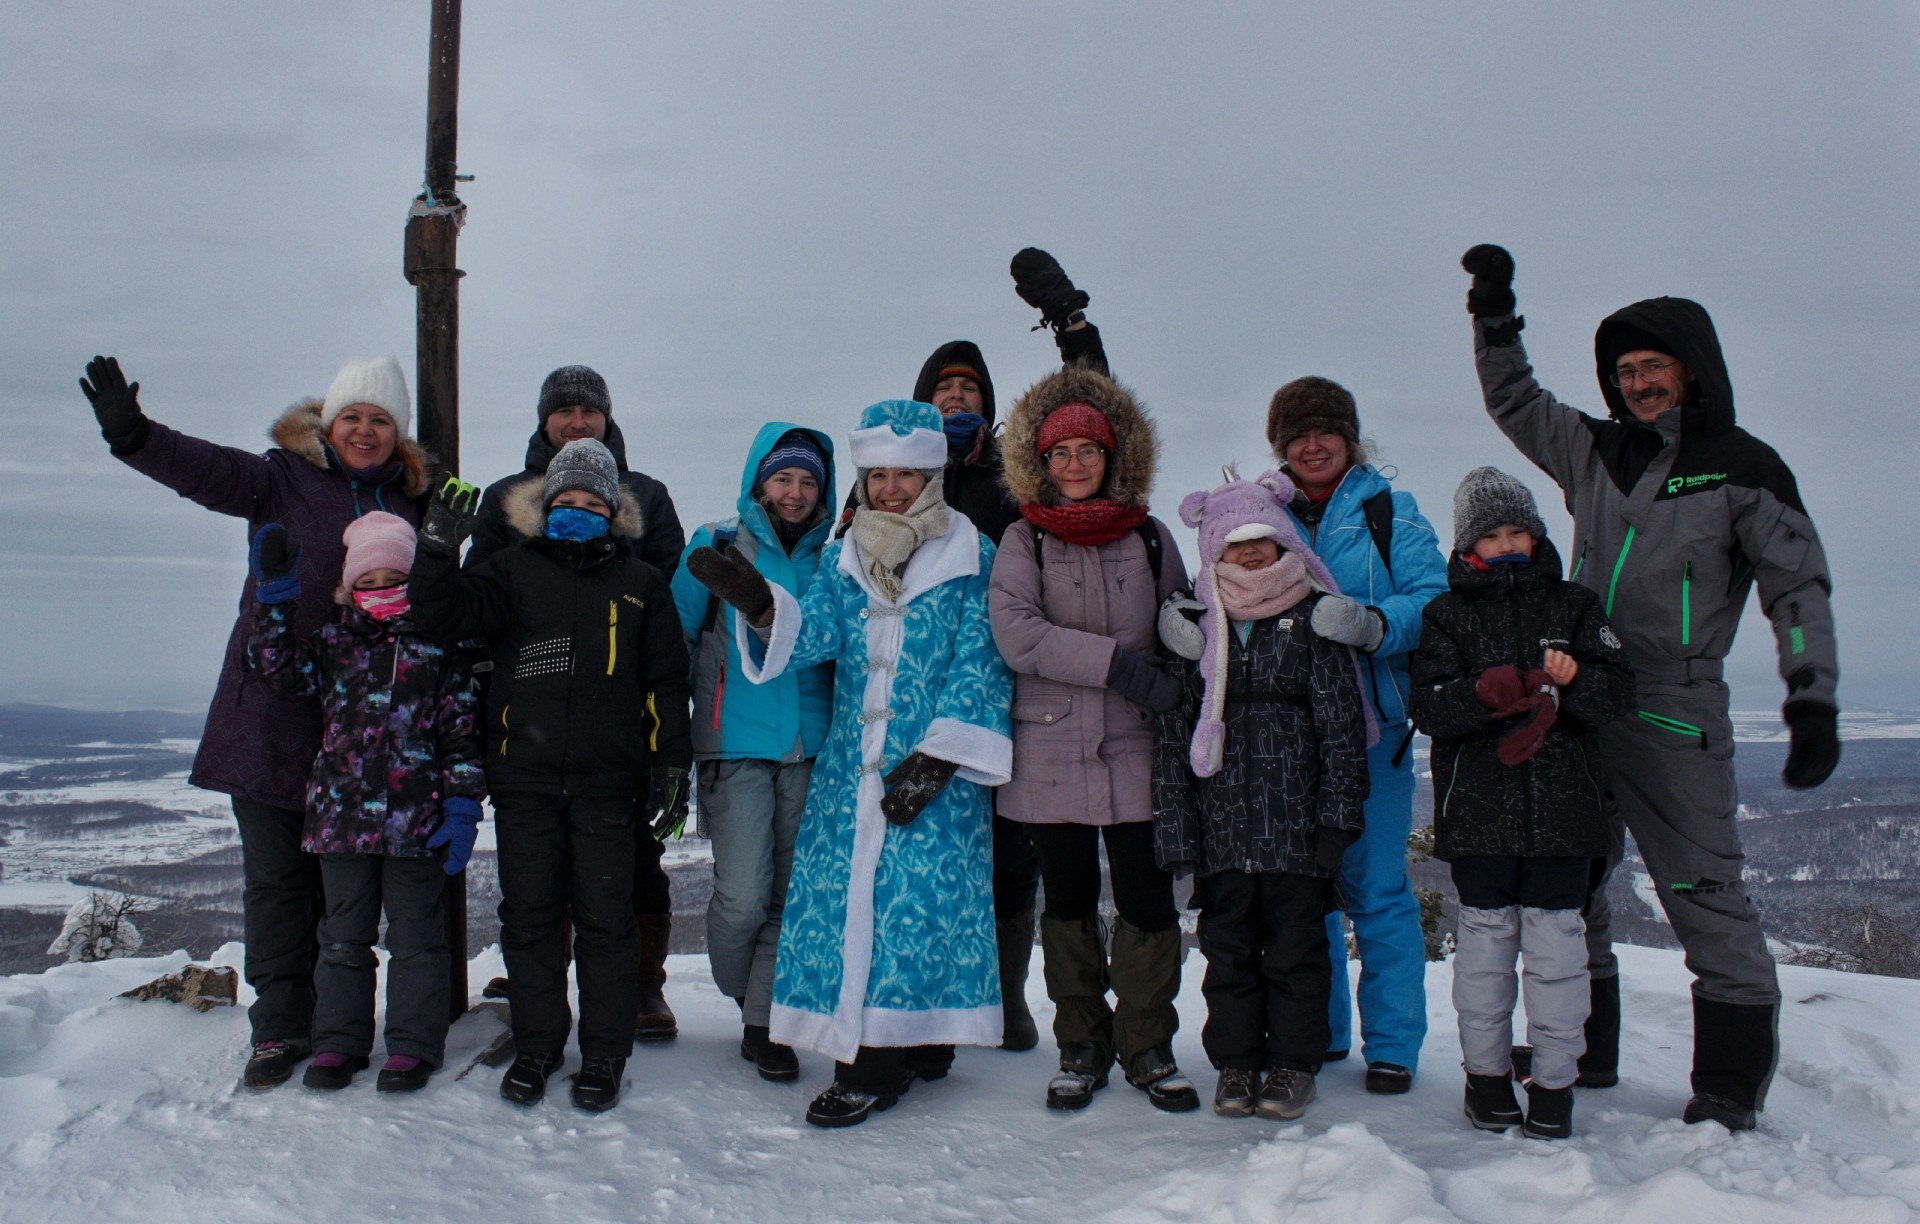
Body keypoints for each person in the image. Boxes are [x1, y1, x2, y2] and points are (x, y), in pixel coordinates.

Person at [1459, 244, 1842, 1131]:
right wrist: (1494, 316)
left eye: (1653, 367)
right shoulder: (1596, 451)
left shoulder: (1744, 468)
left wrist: (1811, 694)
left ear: (1692, 370)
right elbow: (1515, 400)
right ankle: (1582, 1054)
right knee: (1573, 887)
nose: (1637, 385)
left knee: (1703, 892)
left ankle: (1729, 1088)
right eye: (1623, 372)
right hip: (1579, 695)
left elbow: (1796, 587)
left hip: (1674, 705)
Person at [76, 354, 433, 1090]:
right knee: (276, 884)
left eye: (381, 420)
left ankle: (346, 1026)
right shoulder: (279, 478)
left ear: (398, 436)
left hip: (369, 731)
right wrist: (135, 434)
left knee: (350, 894)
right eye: (353, 416)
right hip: (272, 710)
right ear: (327, 423)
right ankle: (279, 1028)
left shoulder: (416, 505)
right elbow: (201, 469)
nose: (365, 430)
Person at [686, 399, 1012, 1129]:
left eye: (906, 474)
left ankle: (915, 1045)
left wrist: (939, 758)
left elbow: (983, 657)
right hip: (849, 772)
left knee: (918, 911)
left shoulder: (971, 551)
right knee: (853, 913)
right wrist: (764, 610)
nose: (891, 488)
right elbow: (819, 637)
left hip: (937, 770)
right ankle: (871, 1062)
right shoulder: (843, 553)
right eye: (879, 474)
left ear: (931, 472)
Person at [408, 438, 693, 1113]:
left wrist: (671, 765)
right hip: (525, 781)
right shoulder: (508, 571)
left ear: (615, 511)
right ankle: (538, 1044)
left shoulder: (640, 585)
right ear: (544, 504)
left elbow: (664, 682)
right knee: (530, 920)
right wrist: (438, 548)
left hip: (608, 785)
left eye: (595, 501)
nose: (580, 508)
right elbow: (440, 615)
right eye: (568, 498)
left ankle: (604, 1054)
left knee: (606, 923)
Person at [988, 367, 1200, 1113]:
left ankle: (1147, 1044)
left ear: (1114, 458)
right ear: (1039, 465)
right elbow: (1017, 635)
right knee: (1069, 899)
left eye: (1089, 450)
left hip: (1137, 745)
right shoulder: (1024, 539)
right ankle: (1081, 1042)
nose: (1075, 465)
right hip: (1047, 751)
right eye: (1060, 453)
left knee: (1147, 900)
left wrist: (1183, 658)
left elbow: (1183, 625)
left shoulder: (1149, 535)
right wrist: (1117, 664)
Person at [1410, 467, 1636, 1139]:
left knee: (1558, 952)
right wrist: (1480, 693)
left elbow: (1619, 695)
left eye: (1518, 532)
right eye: (1492, 535)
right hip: (1480, 814)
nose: (1507, 545)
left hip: (1565, 814)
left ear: (1536, 537)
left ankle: (1557, 1086)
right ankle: (1485, 1080)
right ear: (1467, 546)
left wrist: (1575, 681)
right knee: (1483, 949)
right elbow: (1426, 707)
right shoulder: (1444, 615)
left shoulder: (1576, 606)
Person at [467, 364, 686, 1042]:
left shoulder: (644, 493)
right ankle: (540, 981)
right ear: (544, 421)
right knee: (538, 865)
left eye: (587, 411)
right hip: (533, 707)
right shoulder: (509, 495)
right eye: (562, 411)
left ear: (607, 418)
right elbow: (483, 591)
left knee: (632, 861)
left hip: (618, 715)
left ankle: (643, 985)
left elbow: (669, 585)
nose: (576, 421)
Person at [1153, 470, 1370, 1122]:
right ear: (1213, 551)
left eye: (1262, 543)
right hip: (1223, 834)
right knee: (1230, 960)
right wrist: (1176, 833)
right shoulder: (1197, 630)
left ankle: (1292, 1067)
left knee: (1297, 959)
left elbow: (1341, 728)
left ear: (1286, 548)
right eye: (1234, 545)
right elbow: (1173, 740)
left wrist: (1337, 822)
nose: (1250, 555)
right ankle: (1237, 1065)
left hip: (1296, 833)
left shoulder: (1311, 620)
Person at [246, 512, 486, 1093]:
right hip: (341, 823)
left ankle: (411, 1046)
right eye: (368, 580)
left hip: (417, 823)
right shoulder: (331, 643)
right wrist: (275, 601)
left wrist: (461, 807)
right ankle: (339, 1043)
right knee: (343, 940)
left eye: (393, 578)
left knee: (418, 940)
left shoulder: (439, 648)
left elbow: (461, 733)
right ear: (348, 588)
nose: (381, 591)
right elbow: (275, 670)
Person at [1264, 376, 1448, 1094]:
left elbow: (1432, 601)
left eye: (1325, 431)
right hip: (1285, 735)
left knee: (1376, 889)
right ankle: (1324, 1034)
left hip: (1375, 734)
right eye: (1297, 435)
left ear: (1349, 436)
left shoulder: (1388, 512)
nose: (1312, 446)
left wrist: (1375, 625)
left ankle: (1395, 1046)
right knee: (1307, 894)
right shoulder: (1266, 514)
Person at [669, 424, 836, 1082]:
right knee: (742, 895)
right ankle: (744, 991)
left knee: (786, 899)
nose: (794, 493)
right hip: (733, 741)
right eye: (782, 478)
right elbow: (677, 641)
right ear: (758, 481)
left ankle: (762, 1023)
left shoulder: (835, 557)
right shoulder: (715, 546)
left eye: (807, 481)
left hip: (809, 745)